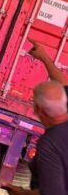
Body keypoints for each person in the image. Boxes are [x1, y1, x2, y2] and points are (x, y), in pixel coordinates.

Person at [4, 40, 68, 195]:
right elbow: (63, 84)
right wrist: (44, 58)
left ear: (39, 110)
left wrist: (22, 193)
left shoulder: (50, 143)